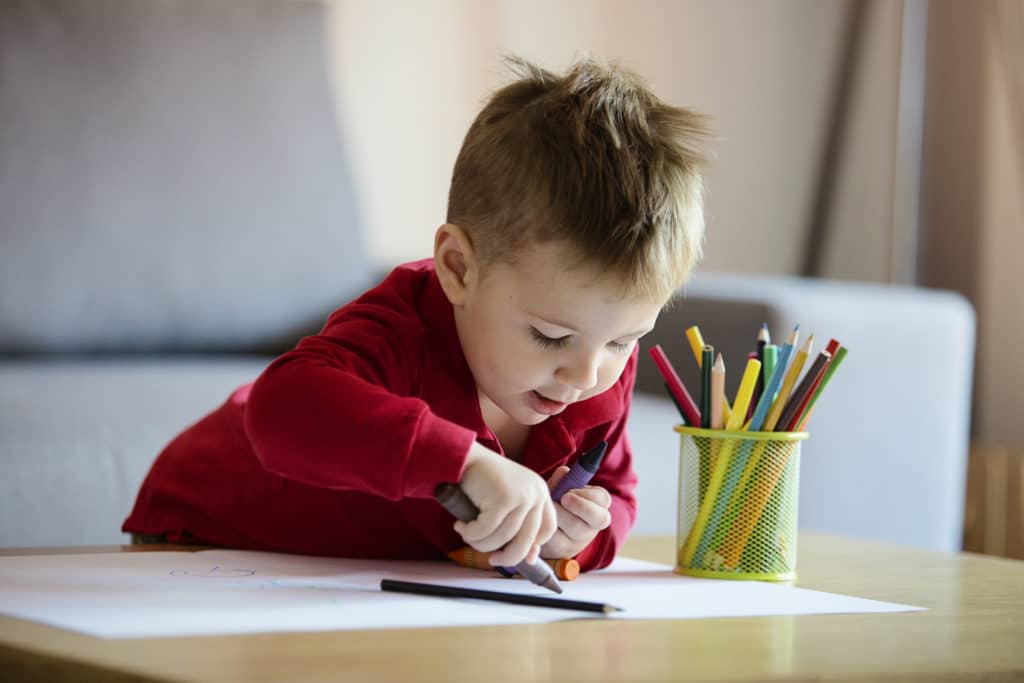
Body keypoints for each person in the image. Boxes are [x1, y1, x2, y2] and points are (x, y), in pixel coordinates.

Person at [123, 56, 710, 572]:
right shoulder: (401, 327)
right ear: (458, 268)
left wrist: (579, 536)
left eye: (623, 341)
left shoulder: (594, 361)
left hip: (365, 584)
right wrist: (463, 462)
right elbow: (280, 409)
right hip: (203, 542)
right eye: (548, 335)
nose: (588, 374)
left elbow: (614, 490)